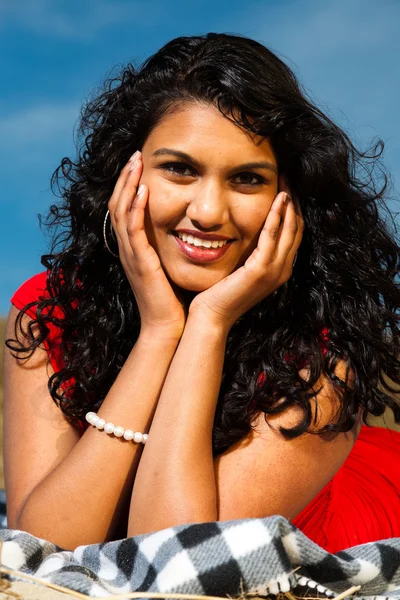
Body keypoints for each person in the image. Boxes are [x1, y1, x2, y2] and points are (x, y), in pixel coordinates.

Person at [3, 33, 400, 553]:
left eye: (246, 179)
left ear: (289, 197)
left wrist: (208, 323)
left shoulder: (323, 359)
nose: (209, 211)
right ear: (125, 174)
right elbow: (43, 544)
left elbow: (174, 556)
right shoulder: (47, 315)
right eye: (180, 169)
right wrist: (160, 332)